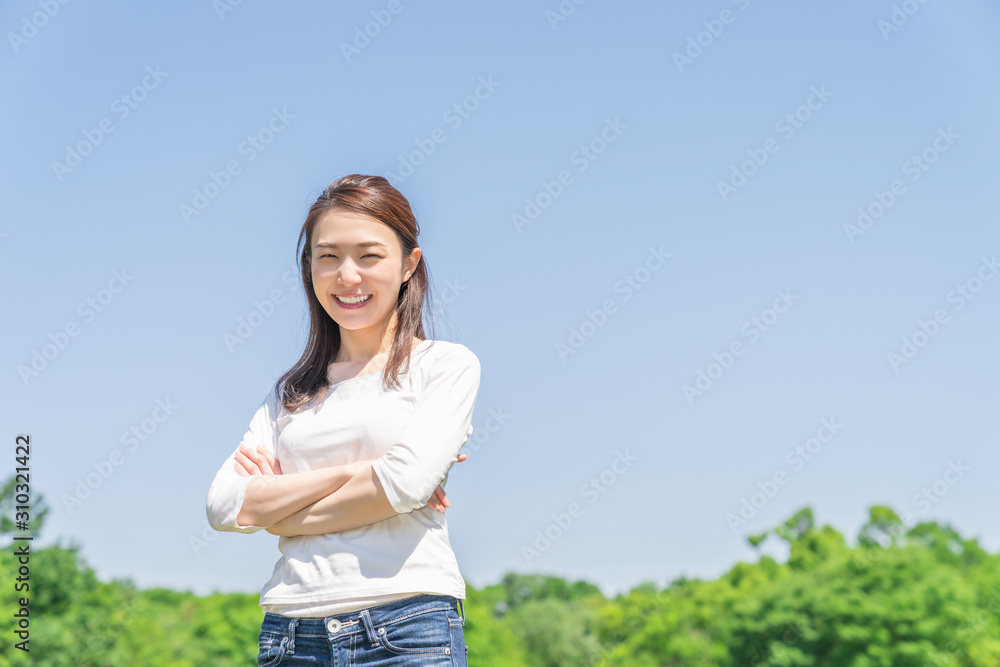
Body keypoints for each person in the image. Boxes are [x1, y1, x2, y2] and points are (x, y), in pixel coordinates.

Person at [205, 174, 480, 665]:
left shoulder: (445, 365)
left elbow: (405, 484)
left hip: (407, 624)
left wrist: (279, 514)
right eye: (327, 256)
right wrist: (364, 476)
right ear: (308, 266)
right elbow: (225, 506)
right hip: (291, 631)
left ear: (408, 265)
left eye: (369, 256)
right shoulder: (290, 392)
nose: (346, 276)